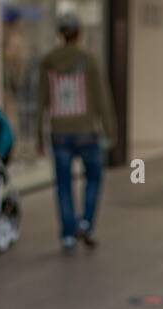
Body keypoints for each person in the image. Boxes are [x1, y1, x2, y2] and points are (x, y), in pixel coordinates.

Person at [37, 12, 116, 251]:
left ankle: (68, 234)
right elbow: (102, 97)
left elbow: (41, 99)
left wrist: (39, 137)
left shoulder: (48, 61)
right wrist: (110, 129)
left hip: (59, 132)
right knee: (93, 178)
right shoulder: (88, 60)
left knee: (63, 184)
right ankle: (87, 224)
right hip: (87, 131)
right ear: (79, 34)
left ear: (60, 34)